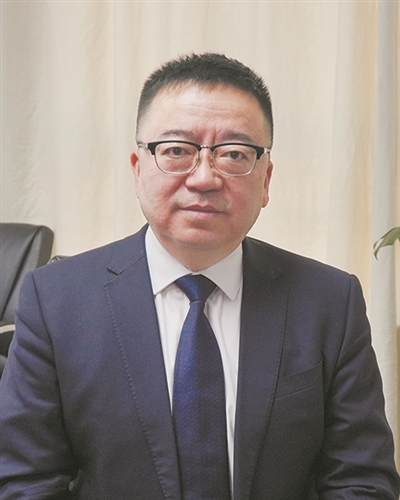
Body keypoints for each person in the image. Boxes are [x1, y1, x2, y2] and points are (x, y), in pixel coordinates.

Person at [0, 53, 399, 500]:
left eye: (234, 154)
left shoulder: (330, 301)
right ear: (138, 169)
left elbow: (361, 480)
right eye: (177, 150)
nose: (204, 178)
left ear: (266, 180)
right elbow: (25, 480)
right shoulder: (55, 301)